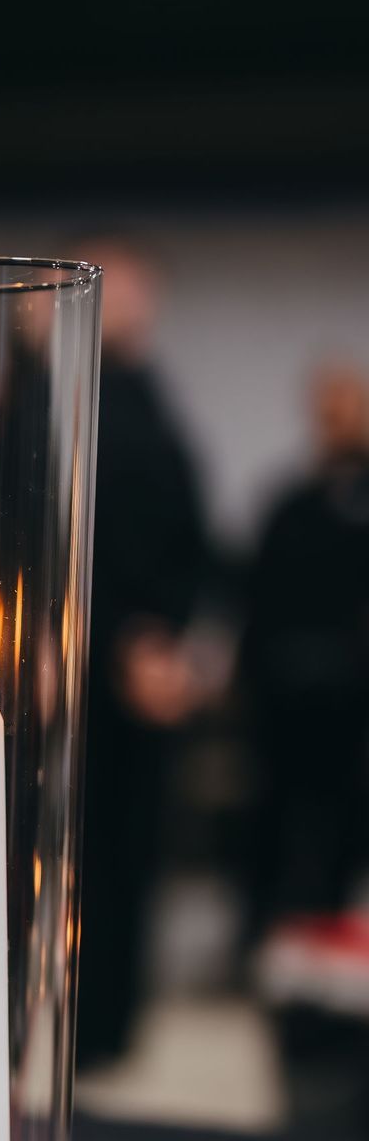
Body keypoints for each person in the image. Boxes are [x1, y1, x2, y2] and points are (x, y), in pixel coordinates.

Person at [74, 241, 214, 1069]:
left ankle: (115, 1031)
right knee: (76, 861)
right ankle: (80, 1034)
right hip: (86, 664)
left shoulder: (153, 399)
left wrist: (173, 643)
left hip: (146, 665)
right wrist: (123, 641)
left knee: (132, 857)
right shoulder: (49, 397)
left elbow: (184, 535)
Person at [241, 365, 369, 941]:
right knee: (279, 835)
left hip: (354, 713)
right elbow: (257, 604)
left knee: (344, 839)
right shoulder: (290, 506)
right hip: (287, 710)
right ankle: (276, 946)